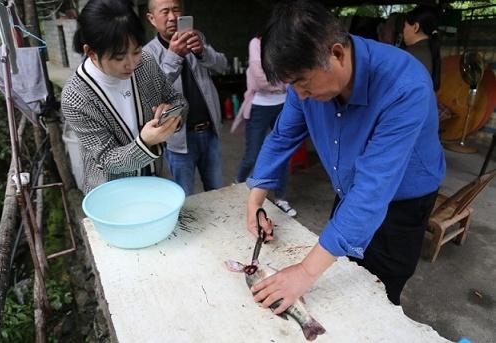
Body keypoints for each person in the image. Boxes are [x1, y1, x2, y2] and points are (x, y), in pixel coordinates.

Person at [245, 0, 446, 311]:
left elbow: (372, 191)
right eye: (292, 86)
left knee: (380, 290)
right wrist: (255, 201)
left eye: (303, 83)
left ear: (336, 53)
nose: (299, 95)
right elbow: (283, 136)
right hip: (351, 184)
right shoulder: (306, 82)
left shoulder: (405, 86)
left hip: (403, 200)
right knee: (339, 265)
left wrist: (304, 271)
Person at [61, 0, 186, 194]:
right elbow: (107, 159)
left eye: (136, 51)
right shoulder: (76, 96)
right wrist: (145, 142)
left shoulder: (145, 62)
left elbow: (177, 100)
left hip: (156, 180)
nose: (131, 64)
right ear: (91, 53)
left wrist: (171, 115)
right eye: (119, 57)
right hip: (111, 193)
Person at [144, 0, 228, 195]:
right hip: (178, 140)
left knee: (216, 192)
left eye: (176, 10)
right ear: (151, 18)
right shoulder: (148, 53)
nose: (173, 17)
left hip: (209, 132)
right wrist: (173, 55)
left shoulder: (196, 38)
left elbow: (222, 65)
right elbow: (152, 93)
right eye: (165, 12)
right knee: (184, 198)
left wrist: (202, 52)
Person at [232, 36, 297, 217]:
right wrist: (281, 86)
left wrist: (282, 86)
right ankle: (238, 184)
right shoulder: (256, 43)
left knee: (283, 155)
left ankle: (280, 198)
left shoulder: (283, 42)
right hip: (260, 106)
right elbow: (260, 78)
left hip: (284, 105)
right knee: (252, 154)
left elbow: (291, 72)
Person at [403, 5, 441, 91]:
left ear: (416, 27)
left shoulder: (411, 54)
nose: (403, 30)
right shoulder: (432, 49)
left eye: (405, 26)